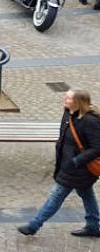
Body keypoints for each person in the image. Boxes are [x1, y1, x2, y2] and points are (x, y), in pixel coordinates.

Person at [18, 89, 100, 238]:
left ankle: (34, 225)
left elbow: (97, 148)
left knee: (56, 195)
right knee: (86, 193)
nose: (64, 99)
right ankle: (94, 225)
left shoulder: (89, 121)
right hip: (68, 166)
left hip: (78, 169)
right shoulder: (68, 113)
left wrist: (76, 161)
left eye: (68, 98)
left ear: (77, 102)